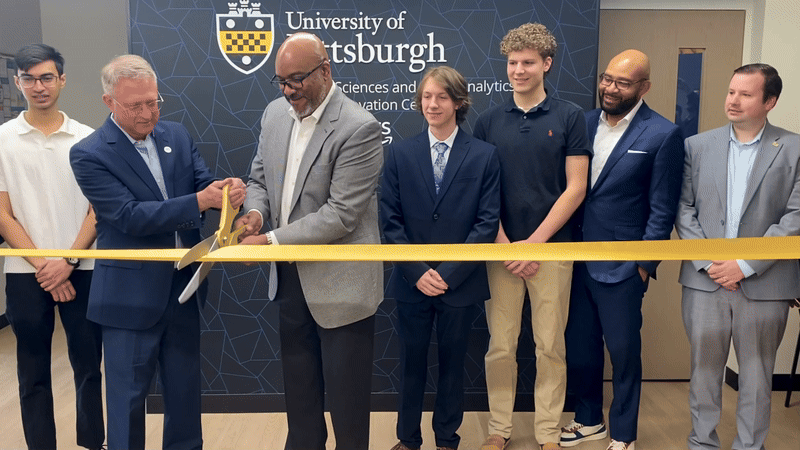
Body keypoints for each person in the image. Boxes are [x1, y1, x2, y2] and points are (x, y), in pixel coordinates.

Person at [69, 54, 245, 450]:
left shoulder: (176, 136)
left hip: (183, 289)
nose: (148, 113)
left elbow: (202, 184)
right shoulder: (89, 154)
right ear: (109, 102)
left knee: (185, 400)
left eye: (154, 102)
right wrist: (200, 201)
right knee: (127, 405)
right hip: (128, 301)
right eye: (137, 105)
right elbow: (128, 217)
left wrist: (225, 193)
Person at [235, 32, 383, 450]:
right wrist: (255, 214)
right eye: (280, 81)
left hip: (342, 284)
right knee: (299, 395)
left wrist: (269, 242)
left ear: (325, 70)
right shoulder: (274, 114)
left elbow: (342, 214)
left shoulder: (359, 126)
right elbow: (259, 178)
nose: (287, 90)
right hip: (288, 279)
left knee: (347, 404)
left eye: (296, 79)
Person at [473, 23, 591, 450]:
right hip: (500, 252)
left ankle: (546, 433)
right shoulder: (488, 121)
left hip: (552, 251)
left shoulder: (569, 117)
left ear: (546, 64)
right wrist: (506, 245)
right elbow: (481, 191)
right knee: (500, 348)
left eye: (527, 62)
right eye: (512, 62)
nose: (518, 70)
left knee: (550, 348)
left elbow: (576, 187)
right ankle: (499, 430)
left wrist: (535, 242)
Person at [560, 50, 684, 450]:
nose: (610, 89)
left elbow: (662, 208)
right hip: (574, 259)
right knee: (580, 347)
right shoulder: (579, 122)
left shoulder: (662, 133)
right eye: (607, 79)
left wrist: (645, 265)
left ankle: (625, 434)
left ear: (644, 87)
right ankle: (589, 419)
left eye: (622, 83)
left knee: (624, 351)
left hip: (624, 267)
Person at [675, 63, 799, 450]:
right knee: (704, 372)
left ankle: (750, 446)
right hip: (704, 280)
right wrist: (711, 263)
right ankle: (702, 442)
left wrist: (745, 265)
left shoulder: (794, 148)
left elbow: (795, 216)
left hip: (765, 282)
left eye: (745, 94)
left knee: (758, 376)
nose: (733, 100)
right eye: (731, 91)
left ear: (770, 102)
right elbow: (684, 209)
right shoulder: (697, 145)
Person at [381, 65, 501, 450]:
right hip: (411, 283)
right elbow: (390, 221)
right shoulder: (399, 153)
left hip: (459, 284)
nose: (432, 104)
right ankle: (407, 439)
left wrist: (448, 272)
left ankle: (448, 439)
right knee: (411, 366)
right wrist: (417, 272)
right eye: (426, 97)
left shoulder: (484, 156)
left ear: (459, 102)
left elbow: (486, 224)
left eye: (441, 97)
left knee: (453, 368)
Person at [0, 43, 105, 450]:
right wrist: (47, 265)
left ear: (61, 79)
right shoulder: (3, 139)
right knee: (32, 372)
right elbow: (4, 215)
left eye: (46, 77)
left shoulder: (88, 139)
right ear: (17, 82)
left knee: (88, 369)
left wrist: (68, 260)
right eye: (29, 78)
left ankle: (92, 442)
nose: (38, 86)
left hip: (83, 268)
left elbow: (99, 211)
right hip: (27, 273)